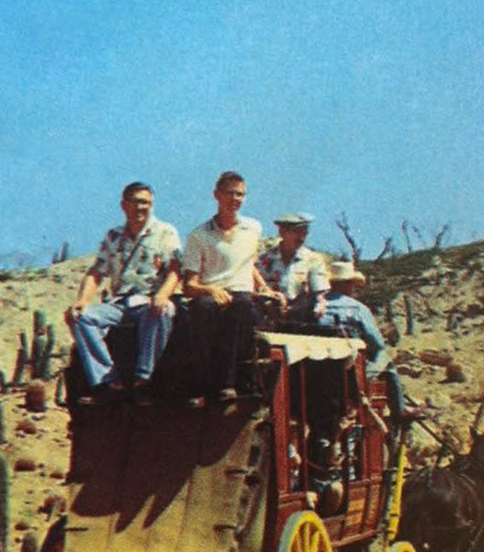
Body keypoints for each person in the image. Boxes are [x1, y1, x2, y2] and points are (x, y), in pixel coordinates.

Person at [66, 182, 181, 404]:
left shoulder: (165, 232)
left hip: (150, 299)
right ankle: (108, 380)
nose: (140, 207)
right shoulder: (113, 236)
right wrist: (82, 300)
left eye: (145, 202)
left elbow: (175, 270)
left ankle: (144, 379)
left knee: (162, 311)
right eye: (135, 201)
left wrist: (163, 295)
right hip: (119, 303)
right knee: (81, 317)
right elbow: (97, 271)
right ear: (123, 205)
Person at [183, 171, 278, 403]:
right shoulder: (199, 235)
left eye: (241, 194)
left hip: (242, 296)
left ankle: (228, 384)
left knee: (243, 305)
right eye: (230, 193)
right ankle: (201, 385)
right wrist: (211, 290)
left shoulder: (253, 228)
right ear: (217, 195)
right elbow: (189, 284)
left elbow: (249, 265)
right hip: (211, 293)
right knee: (204, 309)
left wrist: (265, 288)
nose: (235, 199)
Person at [317, 260, 408, 419]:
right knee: (386, 360)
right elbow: (377, 344)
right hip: (347, 367)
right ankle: (399, 410)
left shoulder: (314, 305)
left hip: (316, 366)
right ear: (348, 284)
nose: (354, 289)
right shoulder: (357, 308)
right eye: (353, 285)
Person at [256, 212, 329, 319]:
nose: (301, 238)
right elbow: (257, 288)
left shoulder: (312, 260)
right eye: (297, 232)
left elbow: (319, 293)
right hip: (269, 313)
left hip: (300, 315)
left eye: (305, 233)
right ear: (282, 232)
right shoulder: (265, 259)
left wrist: (320, 305)